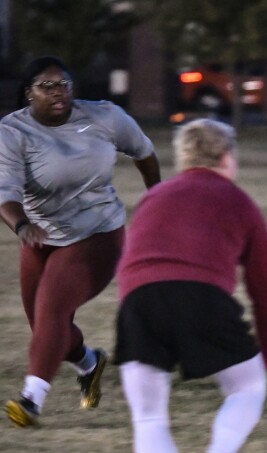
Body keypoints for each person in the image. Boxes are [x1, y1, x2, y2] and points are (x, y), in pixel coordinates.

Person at [115, 119, 267, 453]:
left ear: (183, 158)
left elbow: (132, 259)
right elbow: (265, 290)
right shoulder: (239, 201)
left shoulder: (155, 196)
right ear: (228, 157)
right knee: (246, 388)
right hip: (202, 296)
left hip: (139, 302)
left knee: (149, 417)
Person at [1, 56, 160, 427]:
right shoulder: (13, 132)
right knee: (44, 325)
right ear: (29, 94)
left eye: (65, 84)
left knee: (52, 310)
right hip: (40, 235)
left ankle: (30, 401)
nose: (59, 92)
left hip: (97, 233)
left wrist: (156, 198)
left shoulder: (105, 117)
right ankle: (90, 364)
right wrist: (21, 225)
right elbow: (5, 192)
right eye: (47, 86)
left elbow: (144, 152)